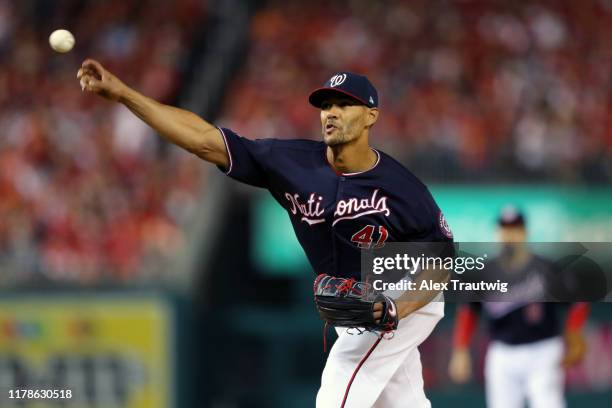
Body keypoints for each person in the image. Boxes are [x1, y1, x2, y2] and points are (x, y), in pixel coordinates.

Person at [78, 61, 454, 407]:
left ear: (371, 115)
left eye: (345, 104)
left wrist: (394, 309)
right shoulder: (290, 162)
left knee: (339, 389)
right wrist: (126, 94)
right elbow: (204, 140)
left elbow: (444, 260)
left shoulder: (401, 186)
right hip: (360, 304)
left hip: (407, 292)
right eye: (326, 105)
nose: (331, 113)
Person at [448, 206, 589, 408]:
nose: (509, 233)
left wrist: (574, 332)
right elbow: (468, 310)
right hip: (502, 352)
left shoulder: (545, 268)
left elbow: (579, 301)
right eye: (505, 228)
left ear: (524, 232)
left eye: (515, 228)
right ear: (498, 232)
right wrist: (460, 349)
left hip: (543, 349)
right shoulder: (486, 272)